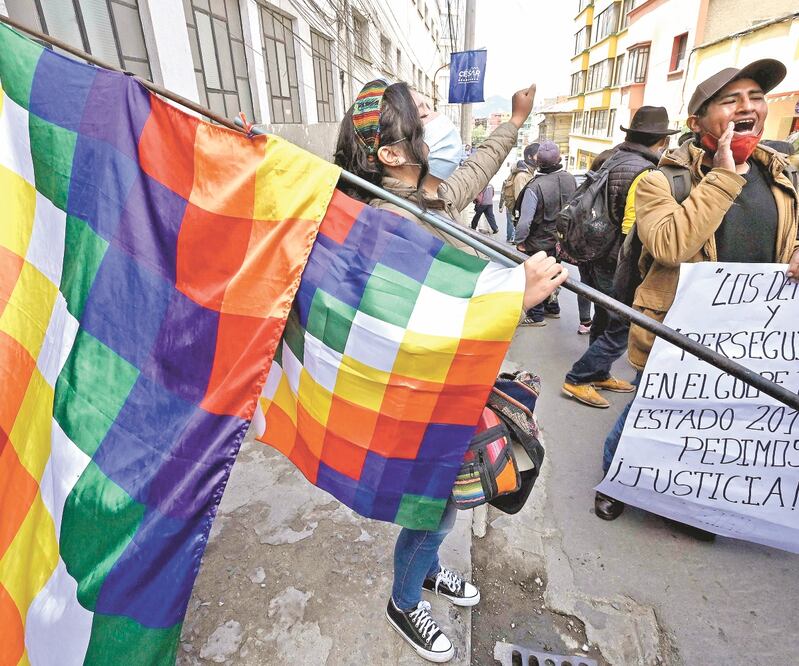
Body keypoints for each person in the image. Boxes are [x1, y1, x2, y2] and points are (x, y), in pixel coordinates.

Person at [334, 79, 569, 663]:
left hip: (454, 386)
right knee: (434, 506)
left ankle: (429, 570)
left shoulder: (430, 194)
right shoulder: (388, 220)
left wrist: (514, 121)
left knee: (445, 505)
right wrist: (516, 296)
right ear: (392, 153)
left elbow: (476, 168)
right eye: (423, 113)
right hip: (421, 394)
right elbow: (427, 324)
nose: (435, 115)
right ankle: (404, 598)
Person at [595, 59, 799, 523]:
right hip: (676, 329)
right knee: (651, 409)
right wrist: (727, 176)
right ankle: (616, 479)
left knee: (718, 420)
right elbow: (671, 244)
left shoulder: (784, 179)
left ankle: (692, 498)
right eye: (731, 100)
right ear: (698, 123)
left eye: (756, 97)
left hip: (754, 334)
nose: (748, 107)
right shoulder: (660, 181)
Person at [562, 107, 678, 408]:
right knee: (622, 324)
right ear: (661, 141)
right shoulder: (646, 172)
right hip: (616, 260)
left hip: (594, 252)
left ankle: (598, 373)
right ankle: (578, 378)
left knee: (604, 315)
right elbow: (632, 228)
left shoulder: (615, 158)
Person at [515, 140, 577, 325]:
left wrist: (520, 240)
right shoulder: (570, 179)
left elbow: (525, 221)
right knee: (553, 272)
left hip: (538, 241)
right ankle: (553, 308)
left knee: (537, 276)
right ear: (559, 159)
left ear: (538, 162)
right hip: (560, 239)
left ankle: (536, 315)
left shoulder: (535, 186)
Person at [498, 144, 538, 244]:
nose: (540, 157)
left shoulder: (528, 172)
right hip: (518, 215)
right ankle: (512, 239)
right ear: (530, 157)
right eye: (538, 155)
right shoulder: (522, 176)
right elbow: (522, 201)